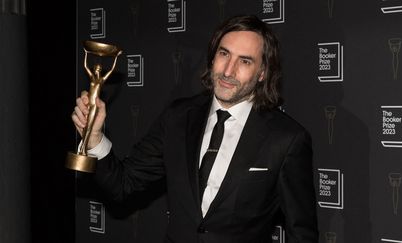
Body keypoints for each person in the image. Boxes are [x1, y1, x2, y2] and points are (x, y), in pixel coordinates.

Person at [72, 15, 318, 243]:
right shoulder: (177, 118)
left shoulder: (287, 139)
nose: (228, 71)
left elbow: (301, 232)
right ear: (213, 57)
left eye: (245, 61)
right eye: (224, 54)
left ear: (262, 73)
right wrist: (94, 137)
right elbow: (123, 185)